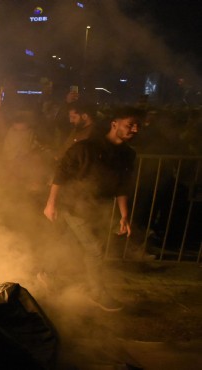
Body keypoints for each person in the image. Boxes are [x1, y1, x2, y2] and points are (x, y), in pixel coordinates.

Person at [43, 106, 144, 312]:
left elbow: (122, 185)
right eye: (129, 125)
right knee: (95, 249)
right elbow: (61, 173)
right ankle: (97, 293)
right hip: (74, 205)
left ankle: (45, 274)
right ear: (114, 124)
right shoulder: (86, 147)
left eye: (137, 126)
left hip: (97, 207)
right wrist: (51, 203)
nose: (134, 129)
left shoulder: (127, 154)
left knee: (69, 243)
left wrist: (124, 215)